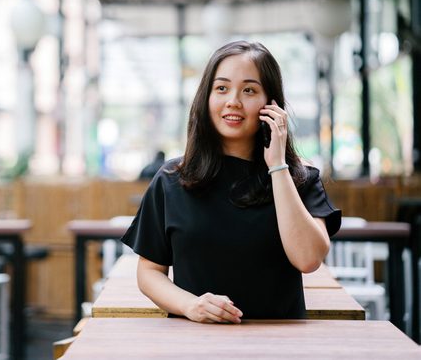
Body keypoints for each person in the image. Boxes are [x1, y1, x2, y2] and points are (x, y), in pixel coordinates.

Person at [121, 40, 341, 323]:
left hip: (282, 345)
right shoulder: (172, 180)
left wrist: (277, 166)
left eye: (249, 90)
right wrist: (191, 305)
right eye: (221, 88)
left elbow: (308, 259)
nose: (233, 101)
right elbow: (149, 272)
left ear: (272, 105)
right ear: (206, 98)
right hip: (194, 344)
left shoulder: (300, 178)